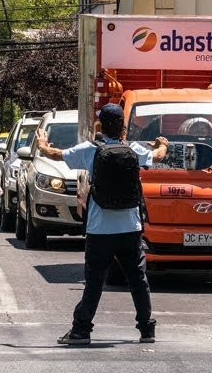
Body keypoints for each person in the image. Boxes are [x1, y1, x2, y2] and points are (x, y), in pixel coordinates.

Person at [35, 103, 168, 346]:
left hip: (100, 229)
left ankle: (81, 331)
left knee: (94, 282)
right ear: (123, 127)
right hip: (130, 228)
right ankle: (146, 329)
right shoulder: (133, 149)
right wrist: (163, 144)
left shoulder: (90, 150)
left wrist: (42, 142)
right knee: (138, 280)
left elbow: (54, 154)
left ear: (100, 126)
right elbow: (158, 156)